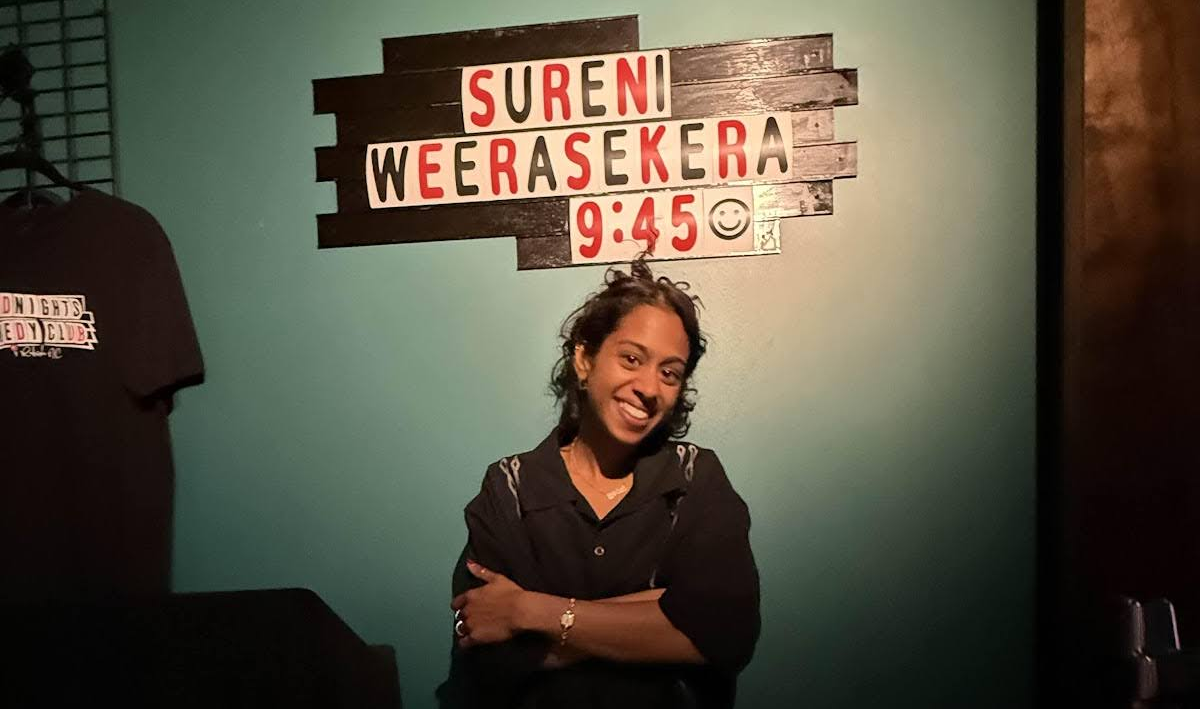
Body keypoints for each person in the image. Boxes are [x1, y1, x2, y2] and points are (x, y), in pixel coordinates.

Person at [437, 259, 759, 708]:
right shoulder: (509, 487)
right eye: (631, 358)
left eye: (670, 372)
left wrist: (531, 610)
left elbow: (727, 635)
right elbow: (489, 650)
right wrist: (659, 615)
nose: (649, 386)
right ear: (585, 359)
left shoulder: (695, 479)